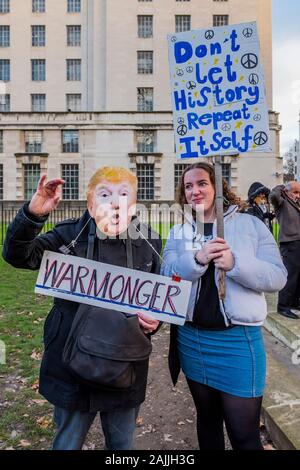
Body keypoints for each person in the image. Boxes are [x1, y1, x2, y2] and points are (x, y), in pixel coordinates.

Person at [3, 166, 162, 450]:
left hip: (125, 367)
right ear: (90, 203)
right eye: (105, 194)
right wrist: (33, 214)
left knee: (122, 446)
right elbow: (17, 256)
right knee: (67, 443)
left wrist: (155, 321)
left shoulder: (148, 242)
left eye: (123, 194)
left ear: (134, 204)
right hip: (71, 365)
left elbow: (157, 299)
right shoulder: (67, 237)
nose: (115, 202)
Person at [161, 162, 287, 450]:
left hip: (238, 342)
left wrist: (236, 264)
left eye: (202, 183)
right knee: (207, 423)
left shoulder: (250, 225)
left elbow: (278, 277)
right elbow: (165, 273)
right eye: (188, 186)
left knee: (243, 435)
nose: (194, 191)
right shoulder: (179, 231)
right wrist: (196, 260)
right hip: (192, 340)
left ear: (218, 187)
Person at [269, 181, 300, 319]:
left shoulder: (295, 203)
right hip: (289, 243)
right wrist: (282, 186)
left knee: (298, 275)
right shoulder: (281, 201)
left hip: (298, 242)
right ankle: (283, 306)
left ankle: (294, 302)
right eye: (295, 192)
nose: (298, 195)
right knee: (291, 275)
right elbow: (273, 195)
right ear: (287, 192)